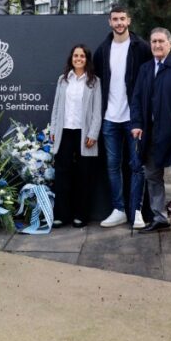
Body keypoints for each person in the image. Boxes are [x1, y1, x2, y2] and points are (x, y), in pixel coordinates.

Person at [130, 28, 171, 239]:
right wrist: (137, 123)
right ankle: (160, 218)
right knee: (153, 177)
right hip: (150, 135)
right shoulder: (145, 69)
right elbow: (137, 99)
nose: (157, 45)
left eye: (161, 41)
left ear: (170, 44)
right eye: (154, 41)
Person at [92, 5, 152, 228]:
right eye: (114, 19)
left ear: (129, 21)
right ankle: (119, 209)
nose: (118, 23)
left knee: (137, 166)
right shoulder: (102, 50)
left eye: (122, 19)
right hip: (110, 119)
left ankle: (136, 209)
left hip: (133, 119)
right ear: (110, 22)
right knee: (112, 165)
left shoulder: (141, 48)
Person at [49, 44, 102, 228]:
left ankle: (81, 215)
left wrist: (93, 133)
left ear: (87, 59)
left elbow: (97, 111)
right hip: (65, 132)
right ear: (71, 58)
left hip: (84, 134)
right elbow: (56, 107)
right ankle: (61, 216)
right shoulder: (63, 80)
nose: (78, 59)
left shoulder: (94, 82)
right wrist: (53, 130)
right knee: (62, 175)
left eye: (82, 56)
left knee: (83, 176)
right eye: (75, 55)